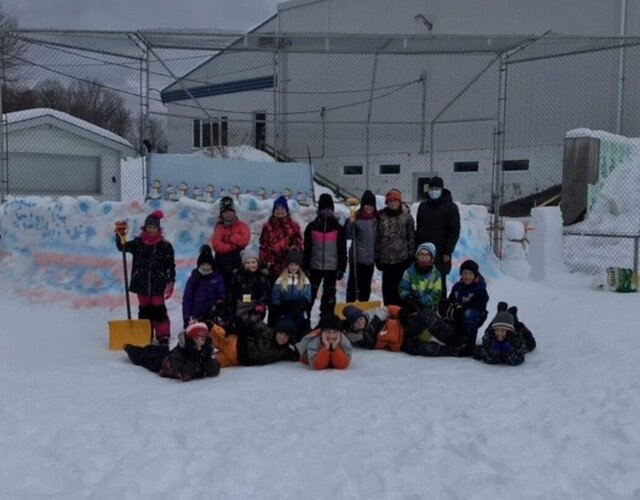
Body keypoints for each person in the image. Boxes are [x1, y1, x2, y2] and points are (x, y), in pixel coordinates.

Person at [115, 210, 175, 345]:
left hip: (158, 283)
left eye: (154, 227)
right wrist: (120, 235)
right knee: (144, 309)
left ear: (158, 228)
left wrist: (170, 281)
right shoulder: (138, 243)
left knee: (159, 309)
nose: (151, 230)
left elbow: (170, 265)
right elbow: (122, 247)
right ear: (145, 228)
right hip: (141, 282)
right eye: (149, 227)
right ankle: (145, 332)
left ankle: (163, 334)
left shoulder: (165, 246)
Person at [124, 322, 221, 381]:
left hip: (169, 354)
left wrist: (208, 356)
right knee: (145, 358)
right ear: (191, 339)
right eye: (197, 339)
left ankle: (150, 348)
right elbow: (184, 375)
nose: (200, 342)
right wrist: (194, 359)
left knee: (160, 350)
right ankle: (130, 348)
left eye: (202, 339)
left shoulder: (205, 350)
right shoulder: (183, 350)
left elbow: (214, 371)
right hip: (164, 364)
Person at [415, 176, 461, 300]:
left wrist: (447, 251)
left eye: (436, 188)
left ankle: (441, 312)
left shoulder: (451, 207)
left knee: (439, 285)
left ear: (441, 189)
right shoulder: (423, 206)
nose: (433, 191)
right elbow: (419, 228)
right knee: (423, 284)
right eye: (431, 188)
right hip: (424, 253)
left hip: (441, 253)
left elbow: (454, 230)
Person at [303, 193, 347, 317]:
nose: (326, 211)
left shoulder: (337, 228)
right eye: (324, 209)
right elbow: (307, 249)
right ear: (319, 210)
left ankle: (326, 318)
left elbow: (342, 250)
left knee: (329, 295)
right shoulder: (312, 227)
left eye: (329, 209)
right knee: (310, 293)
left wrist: (341, 268)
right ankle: (306, 317)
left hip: (331, 268)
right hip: (314, 267)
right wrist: (306, 266)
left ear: (332, 210)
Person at [210, 316, 300, 367]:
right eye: (281, 333)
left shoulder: (284, 351)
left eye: (286, 336)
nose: (282, 337)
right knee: (209, 333)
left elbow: (298, 354)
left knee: (211, 362)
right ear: (276, 331)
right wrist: (235, 327)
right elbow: (252, 321)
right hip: (233, 343)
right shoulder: (268, 331)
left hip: (235, 359)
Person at [376, 189, 415, 306]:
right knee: (388, 290)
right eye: (390, 201)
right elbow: (377, 237)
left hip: (401, 260)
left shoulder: (406, 217)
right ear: (387, 202)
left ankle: (400, 315)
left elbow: (411, 237)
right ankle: (388, 314)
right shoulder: (380, 216)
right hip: (386, 260)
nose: (393, 203)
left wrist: (411, 256)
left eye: (395, 201)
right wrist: (377, 257)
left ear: (400, 202)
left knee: (401, 289)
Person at [259, 195, 304, 289]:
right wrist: (263, 264)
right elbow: (263, 244)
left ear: (286, 210)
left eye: (282, 208)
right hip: (271, 265)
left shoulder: (293, 226)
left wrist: (294, 256)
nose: (279, 211)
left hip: (288, 266)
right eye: (277, 208)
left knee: (286, 290)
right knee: (272, 291)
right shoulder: (267, 226)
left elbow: (298, 243)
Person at [440, 259, 489, 345]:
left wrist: (462, 308)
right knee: (445, 309)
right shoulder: (457, 286)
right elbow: (451, 299)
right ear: (461, 274)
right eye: (465, 273)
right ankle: (453, 336)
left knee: (468, 313)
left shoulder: (480, 289)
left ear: (475, 275)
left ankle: (470, 340)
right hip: (458, 313)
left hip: (474, 315)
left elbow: (479, 304)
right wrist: (447, 306)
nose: (467, 276)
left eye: (470, 274)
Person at [270, 248, 312, 340]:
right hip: (284, 310)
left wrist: (301, 305)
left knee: (302, 327)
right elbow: (275, 296)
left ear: (299, 266)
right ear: (287, 265)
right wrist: (278, 307)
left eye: (296, 265)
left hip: (297, 311)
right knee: (284, 326)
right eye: (291, 264)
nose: (293, 267)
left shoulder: (304, 280)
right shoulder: (281, 279)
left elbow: (307, 296)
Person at [344, 189, 378, 302]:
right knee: (353, 286)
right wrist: (350, 222)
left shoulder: (376, 219)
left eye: (371, 205)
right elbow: (347, 235)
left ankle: (363, 307)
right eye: (367, 205)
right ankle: (350, 308)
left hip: (370, 259)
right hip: (357, 258)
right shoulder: (356, 217)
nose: (369, 208)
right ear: (363, 205)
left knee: (365, 287)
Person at [181, 245, 227, 329]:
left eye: (208, 264)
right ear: (199, 265)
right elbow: (187, 299)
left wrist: (219, 307)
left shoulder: (218, 278)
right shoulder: (193, 279)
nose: (205, 267)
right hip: (197, 315)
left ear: (212, 265)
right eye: (203, 264)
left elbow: (222, 295)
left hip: (213, 315)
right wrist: (186, 318)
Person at [211, 196, 251, 288]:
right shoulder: (219, 228)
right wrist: (233, 246)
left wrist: (229, 238)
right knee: (223, 286)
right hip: (222, 264)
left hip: (238, 262)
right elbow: (217, 245)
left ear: (234, 212)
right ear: (221, 214)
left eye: (230, 211)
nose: (228, 214)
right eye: (225, 212)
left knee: (237, 287)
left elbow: (244, 241)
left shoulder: (242, 226)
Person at [228, 247, 271, 331]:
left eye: (253, 262)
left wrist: (260, 305)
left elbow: (266, 293)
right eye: (247, 263)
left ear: (258, 263)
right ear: (243, 264)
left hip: (255, 308)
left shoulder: (261, 276)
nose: (251, 265)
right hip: (240, 307)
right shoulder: (238, 276)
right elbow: (231, 293)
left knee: (254, 329)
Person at [398, 242, 442, 313]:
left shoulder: (435, 275)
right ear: (417, 256)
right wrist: (408, 296)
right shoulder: (409, 272)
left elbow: (436, 294)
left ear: (432, 258)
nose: (424, 257)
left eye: (427, 254)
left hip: (429, 309)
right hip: (411, 307)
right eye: (421, 254)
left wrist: (421, 301)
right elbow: (402, 288)